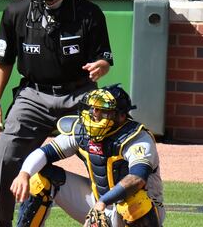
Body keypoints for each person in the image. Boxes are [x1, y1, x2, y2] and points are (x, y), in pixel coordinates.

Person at [0, 0, 113, 227]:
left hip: (80, 94)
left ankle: (113, 216)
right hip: (33, 94)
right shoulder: (16, 12)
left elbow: (104, 57)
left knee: (105, 154)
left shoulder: (88, 13)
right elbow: (4, 61)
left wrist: (101, 66)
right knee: (3, 157)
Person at [9, 85, 164, 227]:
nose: (94, 114)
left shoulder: (137, 138)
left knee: (136, 202)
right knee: (39, 177)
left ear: (121, 116)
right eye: (93, 108)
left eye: (102, 110)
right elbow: (45, 153)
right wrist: (24, 173)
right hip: (98, 202)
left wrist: (103, 202)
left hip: (141, 210)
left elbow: (137, 179)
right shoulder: (83, 131)